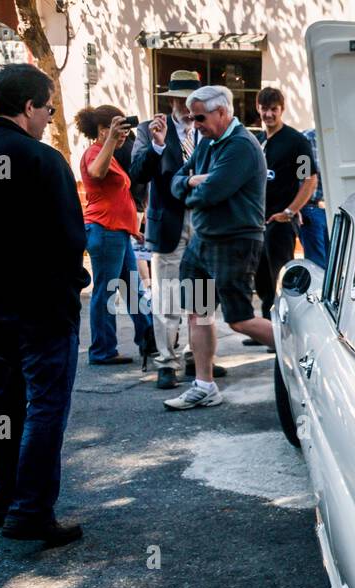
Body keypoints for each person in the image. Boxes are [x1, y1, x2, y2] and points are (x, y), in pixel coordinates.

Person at [0, 63, 89, 546]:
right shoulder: (41, 159)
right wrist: (73, 283)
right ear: (29, 107)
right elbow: (69, 237)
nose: (50, 117)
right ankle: (29, 509)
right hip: (40, 307)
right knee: (45, 405)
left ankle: (5, 498)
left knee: (3, 403)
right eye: (48, 108)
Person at [165, 85, 269, 410]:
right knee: (199, 313)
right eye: (192, 118)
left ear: (222, 112)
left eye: (200, 117)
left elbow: (211, 194)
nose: (195, 124)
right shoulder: (209, 142)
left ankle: (309, 354)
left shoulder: (240, 146)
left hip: (234, 241)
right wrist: (192, 182)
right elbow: (177, 181)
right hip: (203, 242)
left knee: (239, 319)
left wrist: (193, 189)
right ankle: (204, 385)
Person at [129, 70, 226, 390]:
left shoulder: (208, 128)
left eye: (191, 100)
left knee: (201, 296)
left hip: (202, 220)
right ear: (170, 99)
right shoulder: (149, 129)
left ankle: (195, 355)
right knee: (167, 296)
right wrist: (156, 147)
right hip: (168, 221)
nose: (186, 108)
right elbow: (137, 174)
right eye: (180, 100)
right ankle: (166, 361)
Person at [75, 105, 152, 365]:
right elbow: (97, 173)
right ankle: (102, 350)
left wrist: (133, 229)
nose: (122, 136)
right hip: (105, 230)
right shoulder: (95, 152)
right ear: (102, 130)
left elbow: (117, 196)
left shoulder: (110, 154)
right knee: (106, 293)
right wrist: (109, 140)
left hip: (117, 232)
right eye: (117, 130)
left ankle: (149, 339)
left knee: (134, 290)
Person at [250, 87, 317, 344]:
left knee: (280, 278)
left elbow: (309, 180)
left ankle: (284, 333)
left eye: (273, 109)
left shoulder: (296, 141)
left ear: (282, 109)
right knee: (261, 279)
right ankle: (265, 331)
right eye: (264, 109)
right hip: (257, 221)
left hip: (280, 221)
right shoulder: (257, 140)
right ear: (258, 108)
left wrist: (290, 211)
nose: (268, 114)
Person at [298, 127, 328, 269]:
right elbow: (303, 178)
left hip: (331, 209)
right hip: (311, 207)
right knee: (317, 265)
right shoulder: (307, 139)